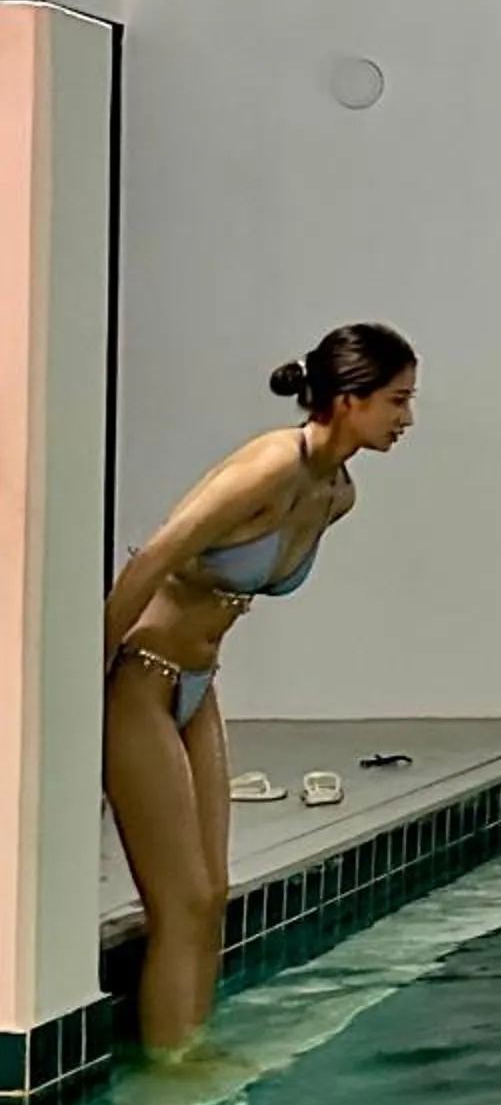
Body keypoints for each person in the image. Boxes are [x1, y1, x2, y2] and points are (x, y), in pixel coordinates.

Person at [103, 324, 418, 1056]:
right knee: (181, 903)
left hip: (196, 687)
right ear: (349, 399)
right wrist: (82, 681)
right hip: (138, 680)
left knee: (212, 898)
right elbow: (154, 558)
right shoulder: (270, 466)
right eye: (397, 401)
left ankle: (185, 1055)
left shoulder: (337, 494)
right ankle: (170, 1071)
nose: (407, 419)